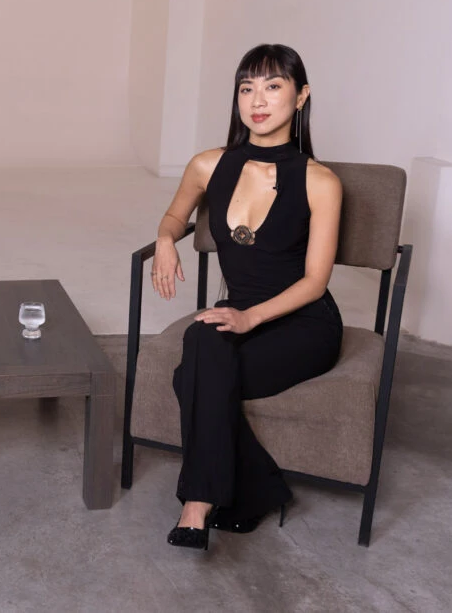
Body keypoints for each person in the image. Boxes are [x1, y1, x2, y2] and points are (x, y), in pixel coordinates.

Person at [150, 44, 343, 551]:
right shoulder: (207, 165)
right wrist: (166, 239)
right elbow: (175, 216)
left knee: (192, 375)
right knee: (201, 343)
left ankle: (197, 504)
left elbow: (315, 281)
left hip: (303, 323)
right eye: (246, 87)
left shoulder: (320, 181)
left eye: (273, 86)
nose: (257, 100)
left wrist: (250, 318)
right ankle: (248, 491)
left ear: (301, 96)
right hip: (238, 313)